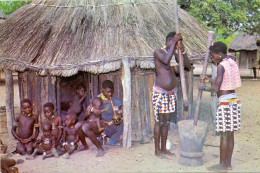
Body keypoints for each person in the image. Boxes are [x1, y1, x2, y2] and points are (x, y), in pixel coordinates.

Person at [199, 41, 241, 171]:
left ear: (219, 54)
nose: (212, 57)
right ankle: (228, 164)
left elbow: (216, 88)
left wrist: (203, 87)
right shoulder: (232, 62)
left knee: (224, 134)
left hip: (225, 103)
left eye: (213, 55)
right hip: (234, 100)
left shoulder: (221, 66)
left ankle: (222, 165)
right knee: (230, 134)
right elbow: (223, 81)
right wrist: (208, 80)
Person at [153, 32, 191, 158]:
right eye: (174, 42)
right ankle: (157, 151)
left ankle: (164, 148)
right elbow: (165, 61)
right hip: (160, 93)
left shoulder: (174, 55)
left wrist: (183, 51)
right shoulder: (158, 51)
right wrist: (175, 41)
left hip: (170, 95)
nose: (176, 46)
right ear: (169, 40)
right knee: (159, 122)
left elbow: (186, 66)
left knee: (166, 122)